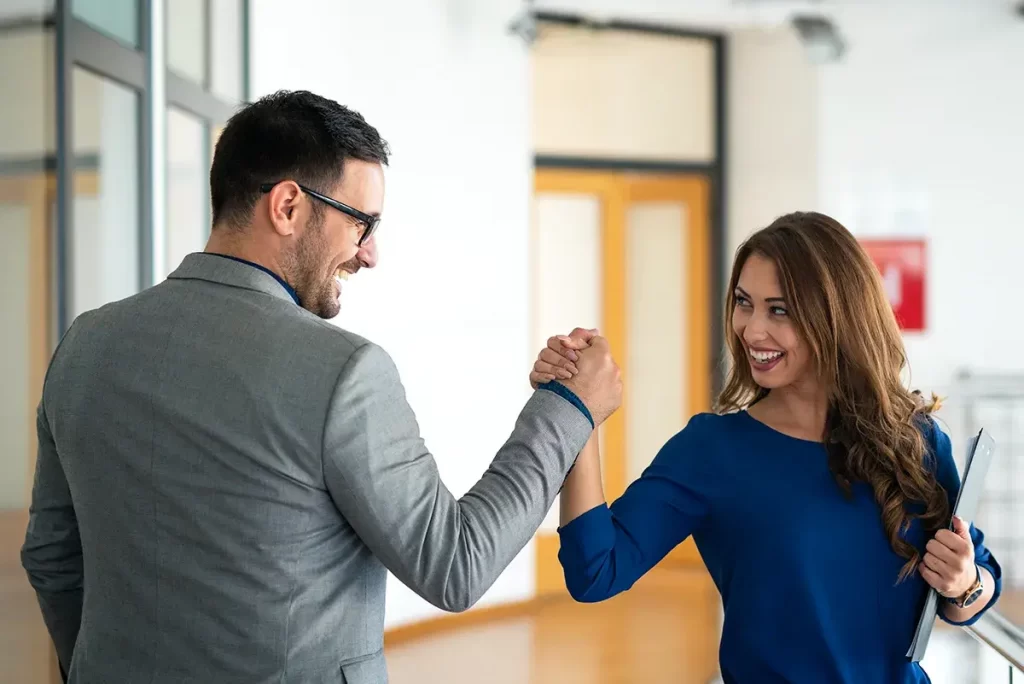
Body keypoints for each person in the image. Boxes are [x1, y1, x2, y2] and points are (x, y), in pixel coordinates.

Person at [21, 90, 623, 684]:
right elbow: (455, 565)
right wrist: (567, 406)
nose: (370, 254)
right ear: (287, 207)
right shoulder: (345, 370)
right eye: (362, 224)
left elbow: (52, 558)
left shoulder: (84, 346)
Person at [532, 212, 1001, 684]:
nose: (752, 330)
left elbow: (976, 590)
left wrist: (965, 584)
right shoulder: (712, 450)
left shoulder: (915, 442)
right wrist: (582, 415)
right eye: (743, 303)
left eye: (779, 310)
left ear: (836, 317)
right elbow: (594, 572)